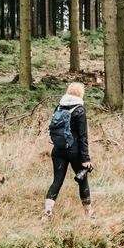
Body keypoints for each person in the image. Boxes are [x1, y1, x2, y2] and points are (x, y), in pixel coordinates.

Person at [45, 82, 92, 220]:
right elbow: (83, 136)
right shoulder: (79, 110)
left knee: (56, 181)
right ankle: (88, 213)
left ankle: (47, 212)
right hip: (74, 151)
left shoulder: (59, 107)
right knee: (82, 181)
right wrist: (86, 159)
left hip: (58, 150)